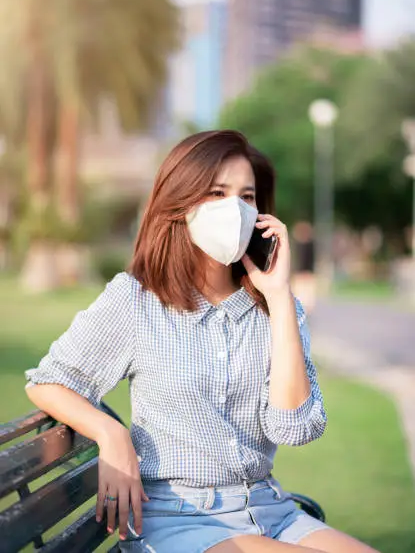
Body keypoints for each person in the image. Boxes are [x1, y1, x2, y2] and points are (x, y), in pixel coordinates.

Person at [25, 131, 379, 553]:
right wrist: (111, 433)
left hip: (270, 509)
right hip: (179, 520)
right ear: (181, 203)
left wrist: (280, 296)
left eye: (247, 196)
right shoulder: (136, 300)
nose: (235, 208)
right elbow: (47, 381)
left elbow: (295, 427)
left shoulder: (278, 309)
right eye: (217, 192)